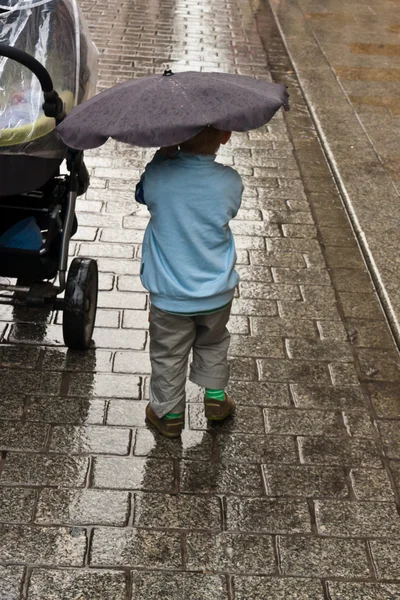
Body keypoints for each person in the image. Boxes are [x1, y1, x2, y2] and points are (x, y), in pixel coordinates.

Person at [135, 127, 243, 438]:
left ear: (177, 135)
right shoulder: (229, 181)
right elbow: (229, 209)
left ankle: (168, 414)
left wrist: (161, 155)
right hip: (217, 293)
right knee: (213, 343)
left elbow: (141, 194)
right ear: (226, 136)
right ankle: (216, 400)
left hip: (170, 296)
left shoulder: (160, 176)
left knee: (168, 354)